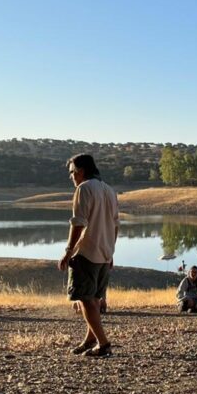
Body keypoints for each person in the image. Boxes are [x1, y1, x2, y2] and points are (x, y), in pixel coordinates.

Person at [59, 153, 119, 357]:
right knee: (93, 299)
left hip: (86, 252)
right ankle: (90, 339)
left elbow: (78, 223)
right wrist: (111, 251)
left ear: (81, 171)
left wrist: (68, 251)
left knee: (86, 300)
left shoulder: (83, 189)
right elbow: (115, 225)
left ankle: (103, 344)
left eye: (72, 172)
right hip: (104, 253)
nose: (71, 177)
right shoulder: (109, 190)